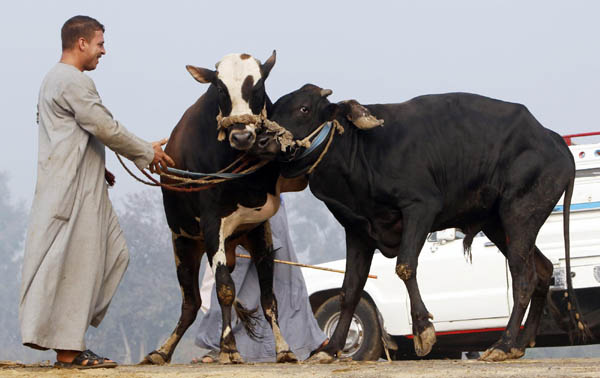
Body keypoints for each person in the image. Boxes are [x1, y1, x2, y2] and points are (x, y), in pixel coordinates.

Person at [19, 15, 174, 369]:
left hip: (82, 182)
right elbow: (103, 126)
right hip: (72, 191)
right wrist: (147, 153)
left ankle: (67, 338)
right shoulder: (71, 80)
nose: (104, 51)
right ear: (81, 43)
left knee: (114, 255)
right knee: (80, 264)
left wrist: (98, 165)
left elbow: (70, 134)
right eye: (100, 43)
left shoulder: (56, 80)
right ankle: (69, 350)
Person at [193, 199, 327, 363]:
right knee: (233, 272)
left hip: (264, 204)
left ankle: (309, 341)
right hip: (235, 204)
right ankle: (220, 344)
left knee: (280, 278)